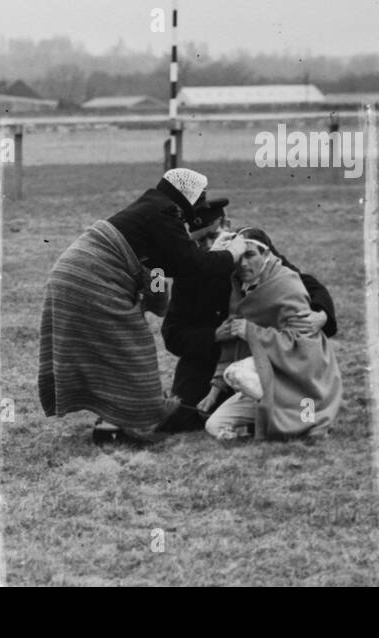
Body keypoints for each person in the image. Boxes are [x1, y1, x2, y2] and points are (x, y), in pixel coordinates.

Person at [37, 168, 247, 441]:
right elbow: (194, 265)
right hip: (91, 279)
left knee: (112, 351)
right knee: (133, 348)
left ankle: (114, 419)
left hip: (70, 276)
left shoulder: (151, 210)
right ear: (188, 197)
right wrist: (233, 253)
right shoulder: (164, 213)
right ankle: (128, 421)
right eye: (199, 200)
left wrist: (156, 301)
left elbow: (158, 269)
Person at [161, 200, 337, 432]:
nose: (208, 245)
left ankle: (292, 410)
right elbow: (172, 335)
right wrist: (213, 335)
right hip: (207, 360)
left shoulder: (251, 247)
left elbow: (304, 283)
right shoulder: (187, 270)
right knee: (182, 419)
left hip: (257, 353)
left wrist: (322, 314)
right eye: (199, 240)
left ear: (227, 224)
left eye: (213, 236)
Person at [202, 227, 343, 441]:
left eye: (250, 255)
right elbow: (230, 344)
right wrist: (213, 393)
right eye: (239, 256)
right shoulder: (236, 285)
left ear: (267, 255)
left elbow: (304, 344)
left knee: (236, 374)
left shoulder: (286, 283)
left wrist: (251, 332)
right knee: (214, 425)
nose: (244, 264)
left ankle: (297, 418)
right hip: (266, 369)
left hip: (300, 377)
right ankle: (272, 419)